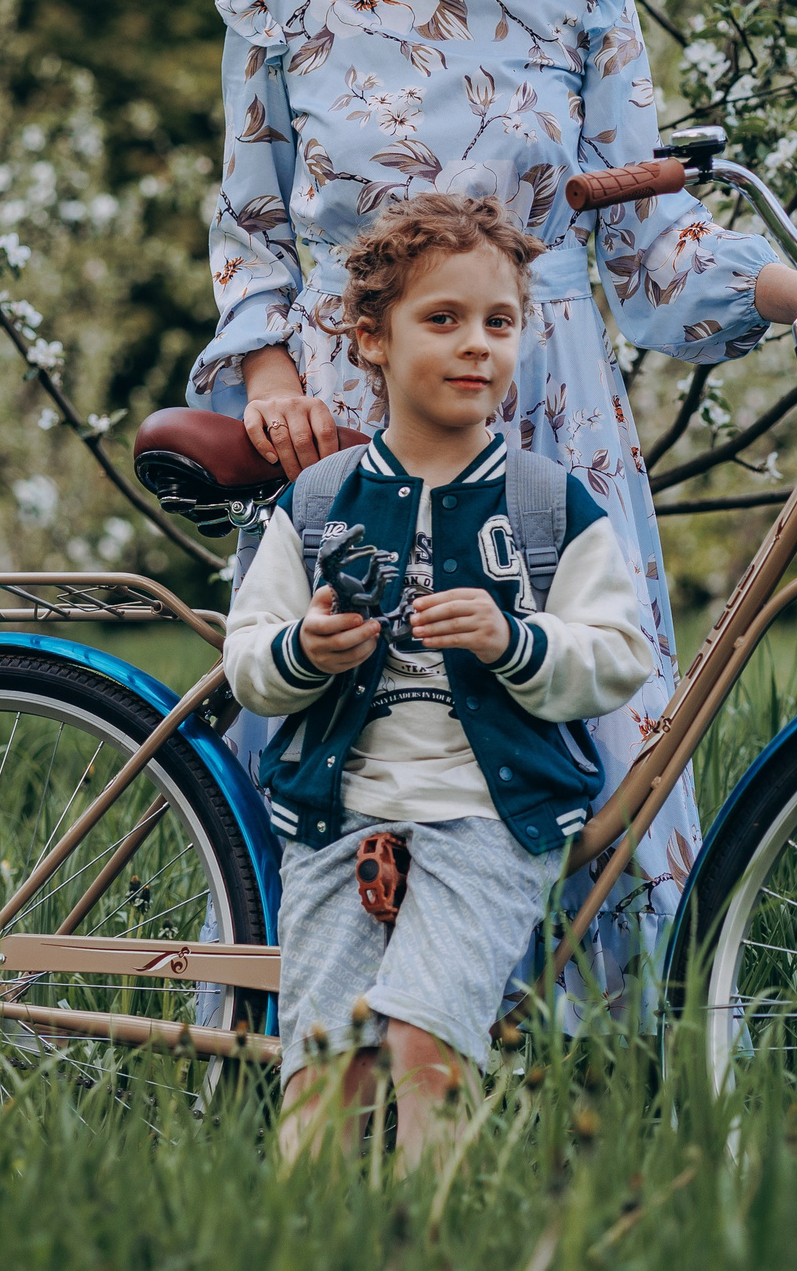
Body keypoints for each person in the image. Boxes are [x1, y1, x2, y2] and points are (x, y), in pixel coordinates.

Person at [194, 0, 797, 1011]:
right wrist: (268, 373)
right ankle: (327, 1056)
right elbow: (249, 225)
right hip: (351, 413)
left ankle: (574, 1058)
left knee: (576, 713)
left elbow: (648, 243)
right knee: (352, 732)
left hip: (547, 414)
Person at [224, 194, 649, 1164]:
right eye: (443, 319)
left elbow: (618, 653)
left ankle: (429, 1232)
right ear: (371, 340)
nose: (476, 347)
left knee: (425, 1042)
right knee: (328, 1064)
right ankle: (303, 1235)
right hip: (338, 816)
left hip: (491, 820)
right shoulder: (323, 500)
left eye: (498, 323)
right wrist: (308, 648)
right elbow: (248, 660)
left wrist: (514, 640)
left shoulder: (547, 504)